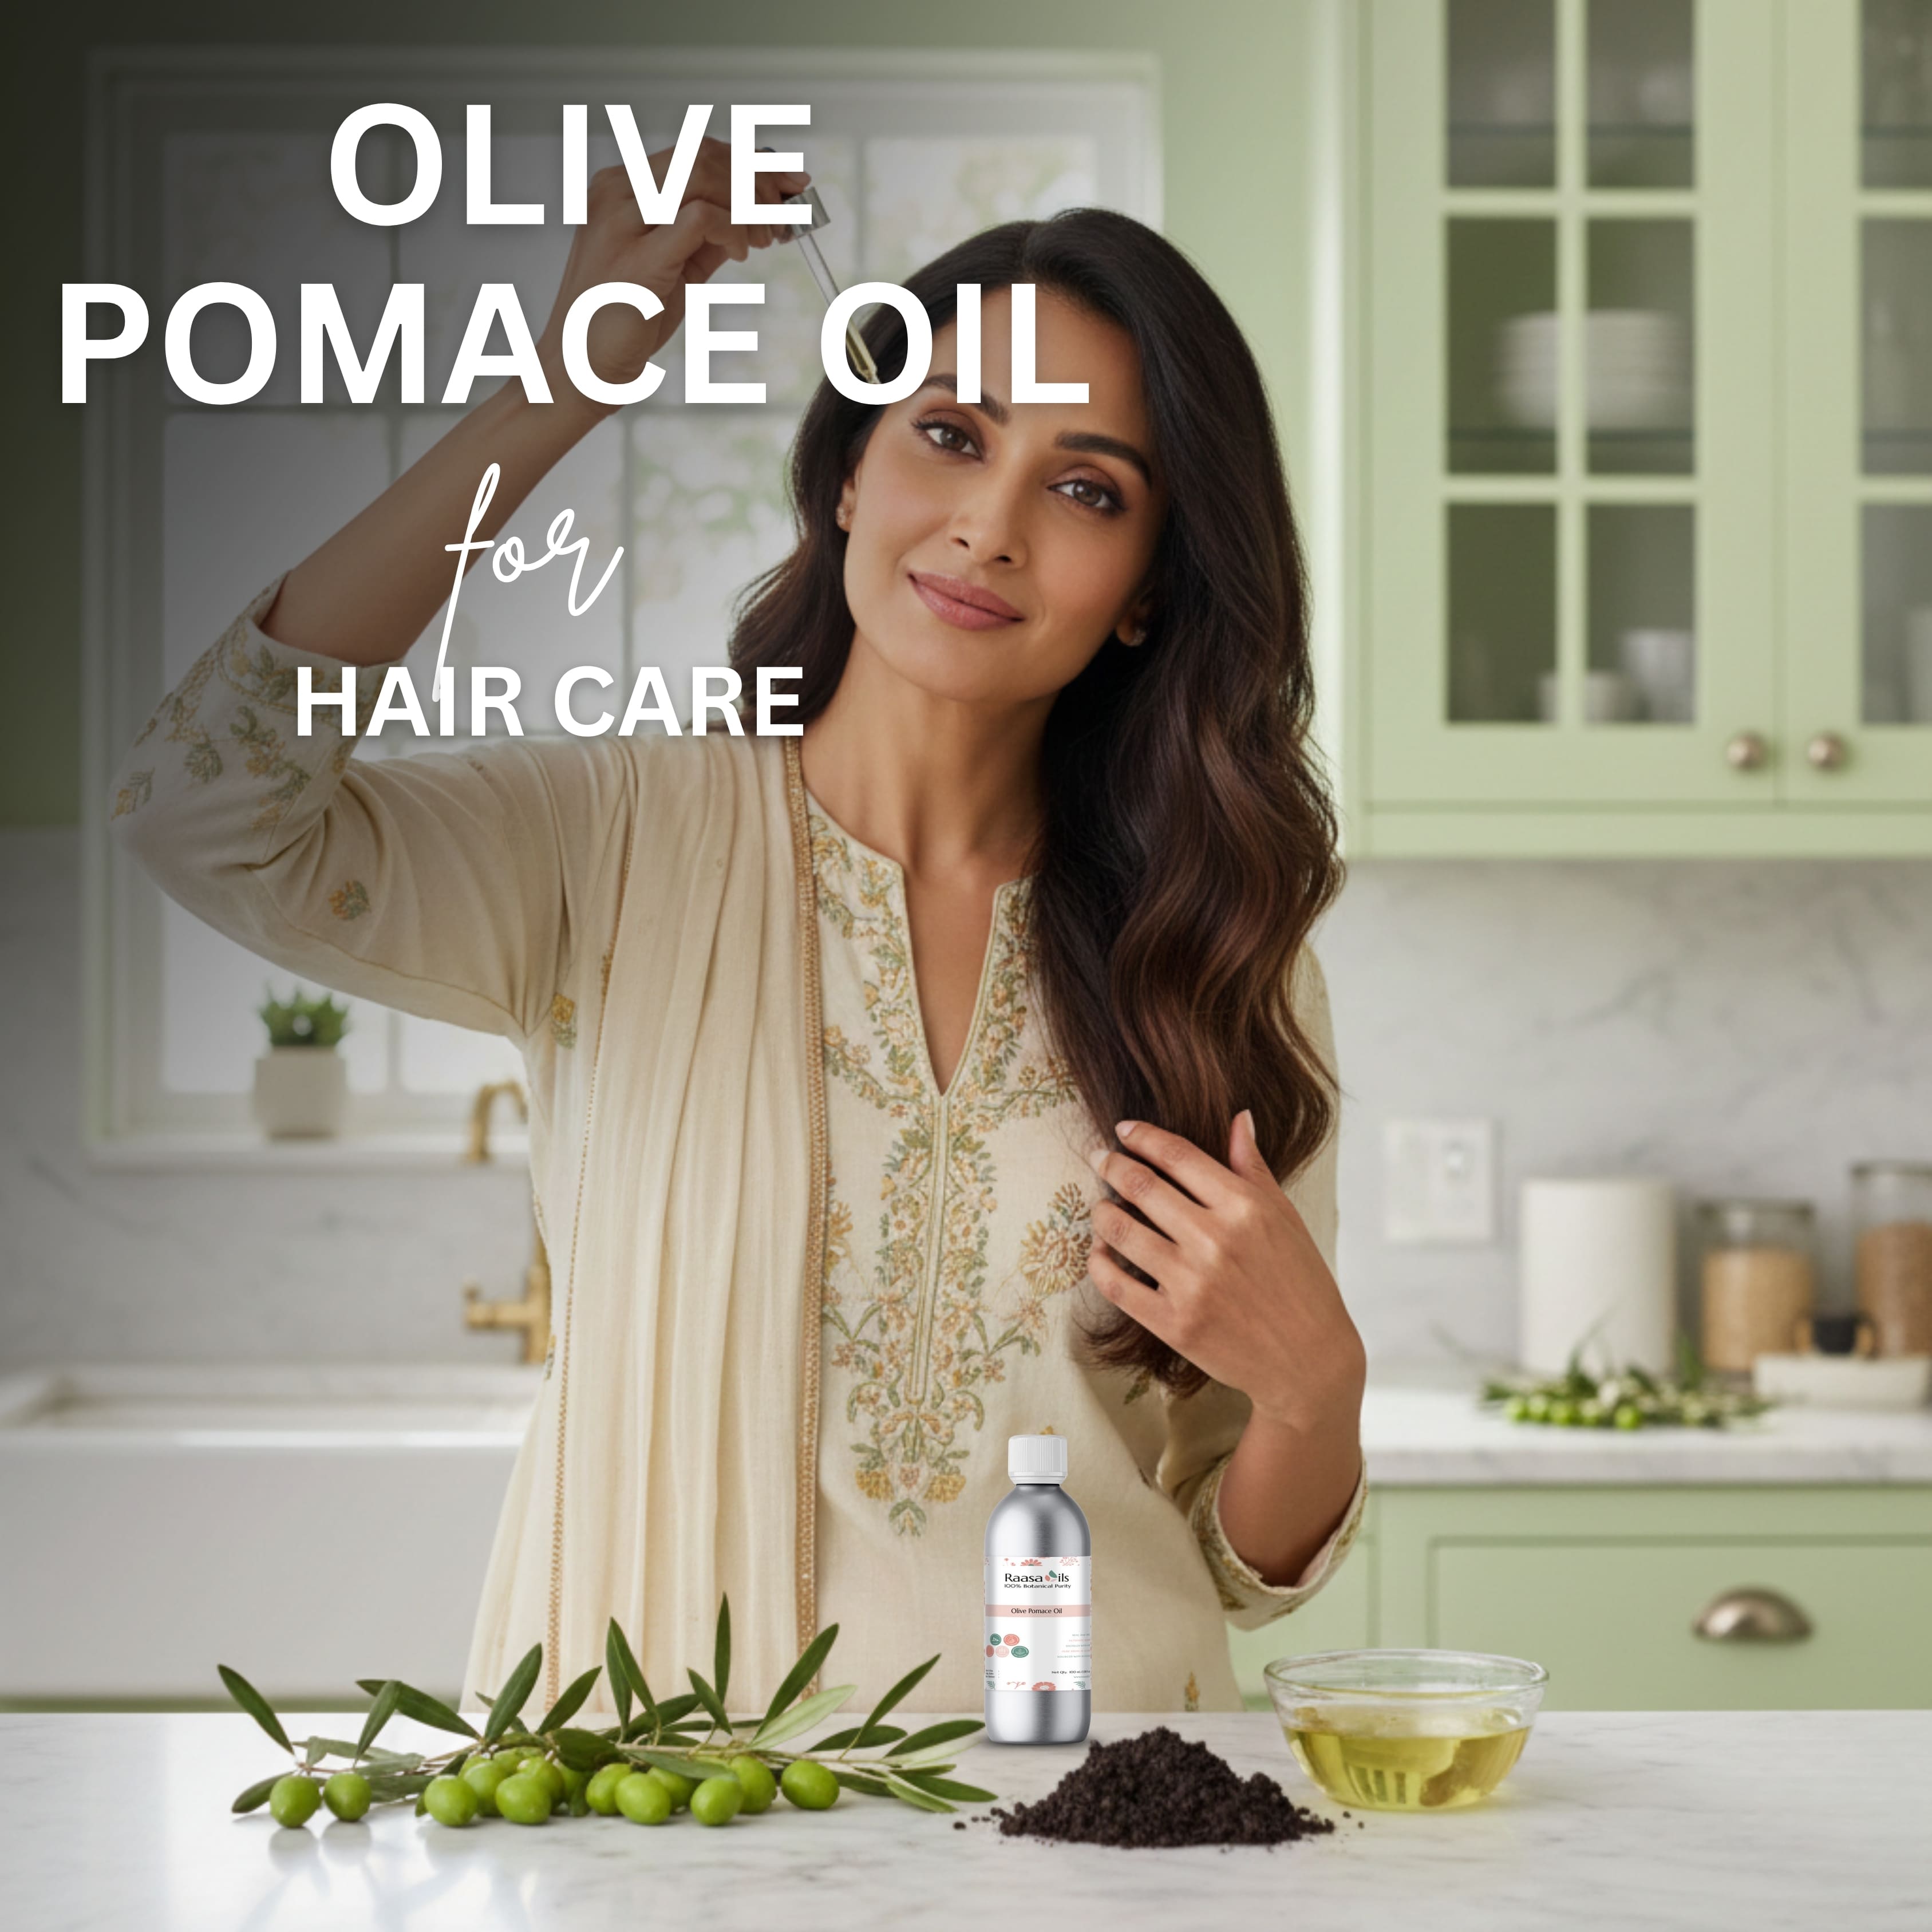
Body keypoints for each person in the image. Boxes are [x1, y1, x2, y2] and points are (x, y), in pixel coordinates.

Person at [111, 140, 1366, 1714]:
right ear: (850, 471)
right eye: (949, 436)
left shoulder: (1217, 953)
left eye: (1087, 486)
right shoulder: (605, 848)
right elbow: (201, 805)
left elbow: (1228, 1546)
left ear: (1147, 591)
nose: (989, 526)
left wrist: (1321, 1395)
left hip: (1095, 1823)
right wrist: (557, 386)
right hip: (654, 1821)